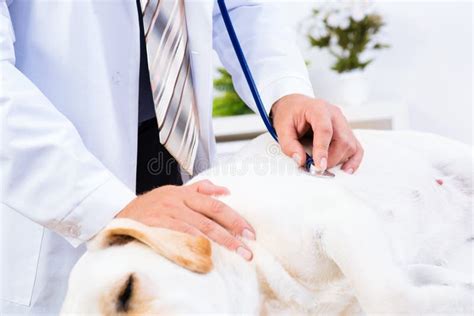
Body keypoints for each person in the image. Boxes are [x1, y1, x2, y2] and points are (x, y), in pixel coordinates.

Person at [0, 0, 363, 313]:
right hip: (65, 184)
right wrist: (101, 203)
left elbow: (238, 8)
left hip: (180, 174)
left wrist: (285, 92)